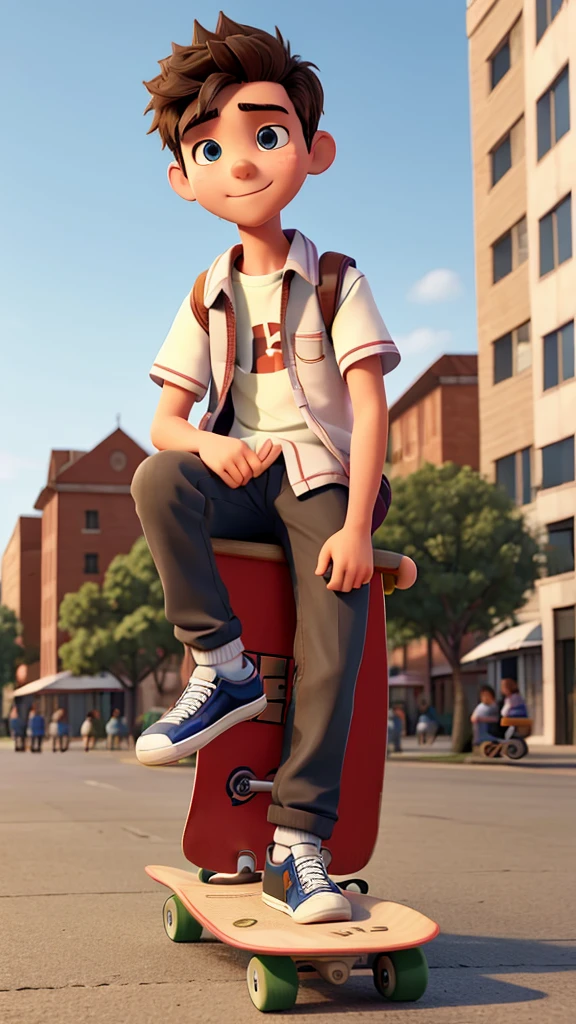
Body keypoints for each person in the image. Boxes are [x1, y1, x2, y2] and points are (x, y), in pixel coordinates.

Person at [131, 13, 402, 926]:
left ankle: (299, 850)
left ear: (312, 151)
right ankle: (223, 665)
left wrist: (360, 526)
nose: (241, 162)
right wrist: (214, 446)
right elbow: (167, 425)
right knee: (156, 480)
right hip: (244, 479)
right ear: (183, 178)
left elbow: (370, 407)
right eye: (210, 147)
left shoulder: (336, 280)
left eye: (268, 134)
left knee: (334, 640)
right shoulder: (205, 290)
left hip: (324, 480)